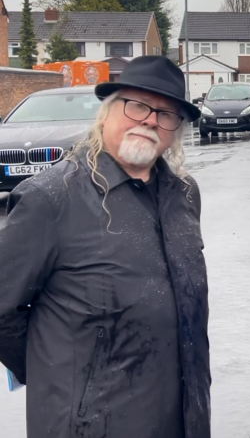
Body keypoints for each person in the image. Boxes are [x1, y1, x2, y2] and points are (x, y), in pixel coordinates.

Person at [0, 56, 211, 438]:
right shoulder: (51, 198)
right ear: (107, 111)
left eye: (166, 114)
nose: (149, 120)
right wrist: (61, 375)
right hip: (88, 426)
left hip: (181, 419)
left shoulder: (183, 195)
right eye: (137, 105)